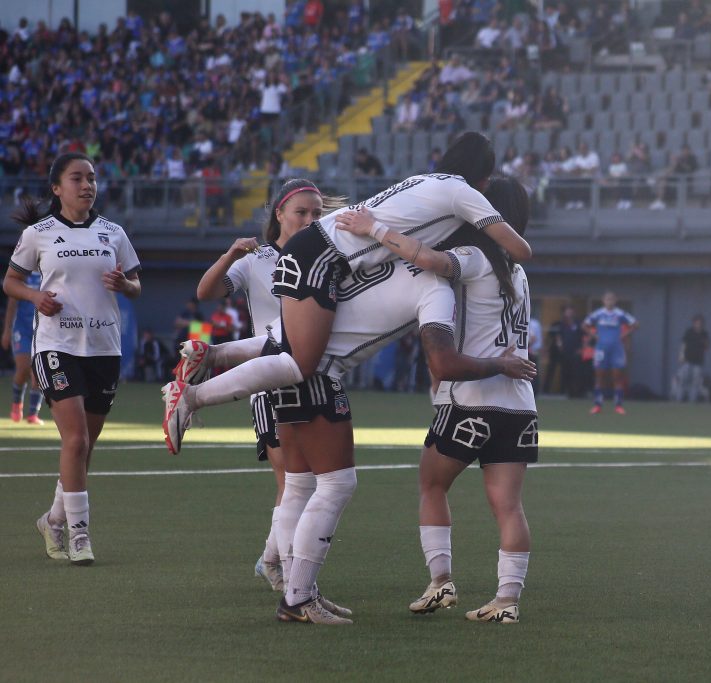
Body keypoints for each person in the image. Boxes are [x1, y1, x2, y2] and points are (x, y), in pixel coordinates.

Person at [163, 208, 535, 626]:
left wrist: (218, 352)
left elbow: (288, 332)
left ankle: (298, 592)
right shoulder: (441, 283)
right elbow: (442, 356)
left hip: (292, 355)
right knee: (336, 483)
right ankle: (299, 597)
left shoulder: (376, 256)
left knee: (298, 486)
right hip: (321, 373)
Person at [162, 132, 532, 455]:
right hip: (322, 256)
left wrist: (377, 229)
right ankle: (191, 397)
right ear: (482, 178)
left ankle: (207, 354)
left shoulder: (426, 181)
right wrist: (380, 230)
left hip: (317, 253)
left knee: (290, 343)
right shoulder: (462, 193)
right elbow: (520, 251)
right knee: (299, 363)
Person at [338, 177, 537, 623]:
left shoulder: (475, 257)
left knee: (432, 484)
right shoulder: (518, 272)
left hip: (472, 399)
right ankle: (507, 601)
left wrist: (374, 229)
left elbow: (428, 259)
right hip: (520, 405)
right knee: (509, 506)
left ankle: (440, 581)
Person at [193, 178, 344, 592]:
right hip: (269, 377)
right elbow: (205, 292)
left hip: (312, 376)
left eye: (317, 213)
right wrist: (229, 255)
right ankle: (286, 572)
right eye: (302, 212)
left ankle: (273, 559)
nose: (311, 219)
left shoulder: (325, 256)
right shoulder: (258, 258)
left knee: (305, 479)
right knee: (290, 479)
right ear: (279, 214)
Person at [2, 152, 142, 565]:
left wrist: (124, 284)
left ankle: (54, 519)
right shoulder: (39, 233)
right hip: (56, 346)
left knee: (85, 446)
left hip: (104, 347)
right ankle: (79, 536)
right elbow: (11, 281)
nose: (87, 185)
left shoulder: (113, 232)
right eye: (77, 178)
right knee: (76, 440)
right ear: (57, 188)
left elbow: (136, 285)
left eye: (92, 178)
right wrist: (34, 296)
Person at [583, 292, 637, 415]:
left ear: (615, 300)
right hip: (601, 349)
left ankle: (618, 405)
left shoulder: (620, 314)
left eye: (612, 299)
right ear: (603, 300)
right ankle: (597, 405)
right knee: (599, 376)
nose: (609, 301)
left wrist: (624, 335)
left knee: (617, 377)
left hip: (616, 349)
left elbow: (635, 324)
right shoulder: (598, 314)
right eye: (607, 299)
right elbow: (585, 325)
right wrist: (594, 336)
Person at [3, 270, 46, 423]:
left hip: (42, 330)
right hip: (22, 329)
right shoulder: (22, 273)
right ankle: (16, 404)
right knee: (23, 368)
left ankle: (33, 413)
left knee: (38, 373)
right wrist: (7, 330)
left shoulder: (49, 271)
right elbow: (12, 304)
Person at [544, 305, 582, 397]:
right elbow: (554, 337)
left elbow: (581, 337)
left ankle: (572, 392)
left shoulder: (577, 324)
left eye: (570, 311)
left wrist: (580, 348)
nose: (569, 314)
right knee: (554, 371)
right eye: (567, 312)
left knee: (572, 373)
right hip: (558, 353)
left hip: (573, 353)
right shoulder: (558, 324)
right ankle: (548, 391)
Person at [674, 314, 709, 403]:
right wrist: (681, 355)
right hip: (687, 360)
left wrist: (705, 342)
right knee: (682, 380)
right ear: (694, 323)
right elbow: (683, 344)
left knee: (695, 382)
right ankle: (679, 399)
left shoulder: (704, 334)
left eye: (700, 323)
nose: (698, 325)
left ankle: (692, 401)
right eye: (696, 323)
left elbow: (707, 347)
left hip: (698, 362)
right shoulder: (689, 332)